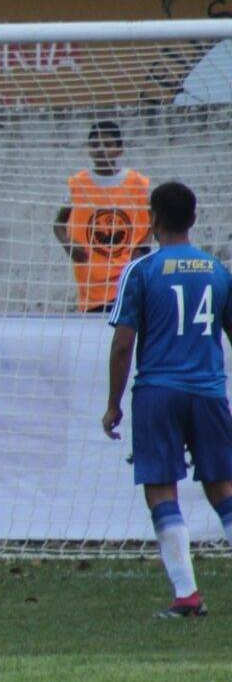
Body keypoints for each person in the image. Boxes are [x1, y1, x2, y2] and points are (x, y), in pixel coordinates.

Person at [103, 181, 232, 618]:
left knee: (161, 488)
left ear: (152, 218)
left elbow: (123, 343)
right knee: (223, 489)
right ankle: (187, 597)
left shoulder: (141, 271)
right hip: (209, 391)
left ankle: (187, 596)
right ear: (193, 220)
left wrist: (113, 403)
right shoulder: (217, 270)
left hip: (158, 391)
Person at [53, 120, 151, 312]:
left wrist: (141, 250)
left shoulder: (138, 183)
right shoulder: (78, 183)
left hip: (128, 276)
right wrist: (68, 243)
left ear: (119, 150)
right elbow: (58, 223)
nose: (101, 149)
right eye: (95, 144)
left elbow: (154, 222)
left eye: (107, 144)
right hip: (92, 283)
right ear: (88, 149)